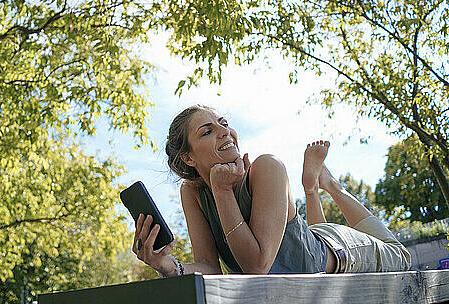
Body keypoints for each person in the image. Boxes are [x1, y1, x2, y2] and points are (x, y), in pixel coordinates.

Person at [132, 104, 411, 276]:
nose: (224, 131)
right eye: (207, 131)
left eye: (224, 124)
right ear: (189, 158)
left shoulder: (267, 167)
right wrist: (166, 265)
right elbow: (208, 266)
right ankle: (312, 188)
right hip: (303, 242)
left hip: (340, 251)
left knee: (401, 256)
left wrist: (223, 192)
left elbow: (257, 265)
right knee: (305, 236)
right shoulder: (192, 191)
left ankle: (329, 186)